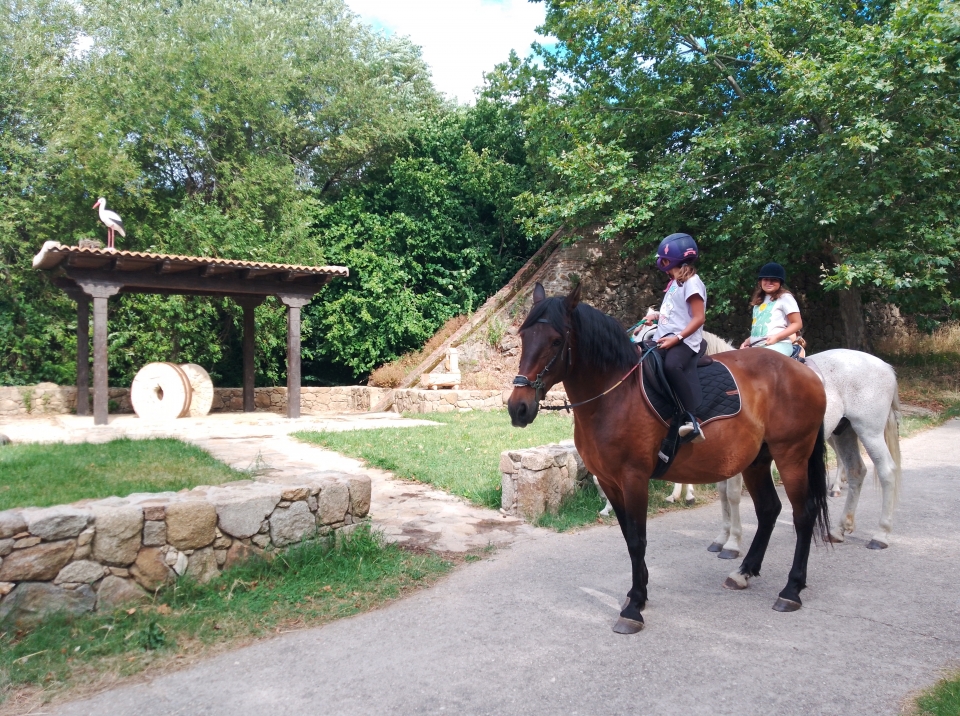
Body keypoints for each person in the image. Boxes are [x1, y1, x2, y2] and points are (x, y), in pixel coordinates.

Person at [637, 232, 707, 442]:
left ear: (673, 259)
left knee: (672, 366)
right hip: (664, 336)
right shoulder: (675, 282)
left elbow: (699, 318)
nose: (661, 262)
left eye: (664, 258)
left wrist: (676, 338)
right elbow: (675, 313)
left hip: (685, 341)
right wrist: (655, 317)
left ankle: (692, 418)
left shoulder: (692, 283)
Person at [739, 263, 803, 356]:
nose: (769, 282)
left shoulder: (785, 297)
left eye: (774, 280)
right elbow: (764, 330)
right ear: (760, 282)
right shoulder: (758, 302)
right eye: (765, 279)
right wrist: (748, 341)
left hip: (779, 345)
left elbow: (797, 324)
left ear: (780, 282)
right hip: (758, 347)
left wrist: (777, 337)